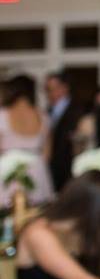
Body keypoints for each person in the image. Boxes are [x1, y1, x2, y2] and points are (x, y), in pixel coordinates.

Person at [0, 75, 54, 207]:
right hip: (37, 167)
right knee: (36, 210)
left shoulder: (3, 114)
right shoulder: (43, 116)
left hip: (9, 168)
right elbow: (47, 153)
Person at [45, 71, 85, 191]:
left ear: (65, 87)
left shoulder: (79, 110)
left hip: (70, 169)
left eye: (55, 87)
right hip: (51, 171)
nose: (52, 93)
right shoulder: (46, 111)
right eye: (48, 89)